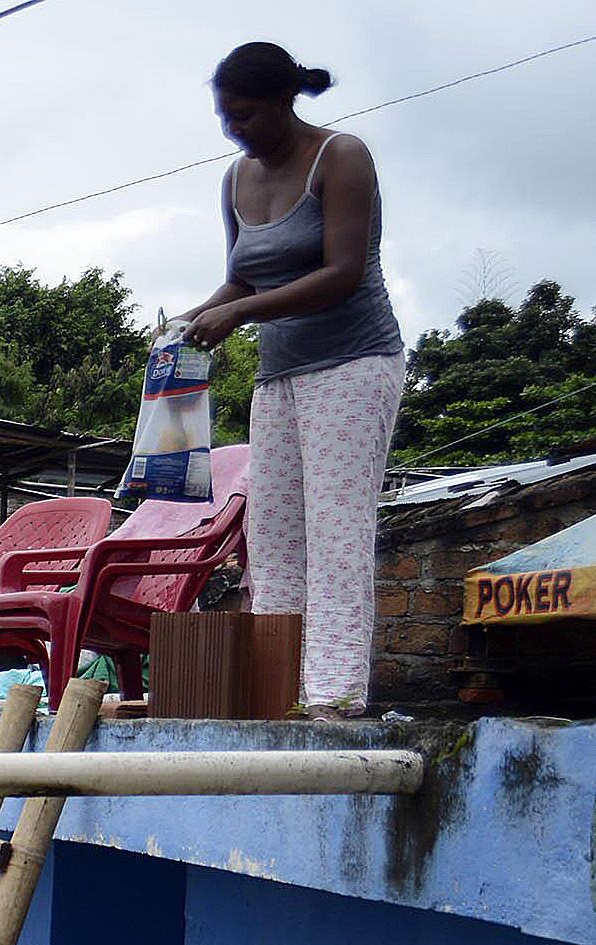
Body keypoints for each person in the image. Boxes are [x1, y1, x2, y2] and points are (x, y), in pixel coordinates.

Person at [180, 41, 404, 718]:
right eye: (224, 117)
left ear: (284, 100)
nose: (234, 129)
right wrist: (193, 317)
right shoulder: (234, 179)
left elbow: (344, 272)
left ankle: (333, 695)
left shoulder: (342, 156)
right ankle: (279, 691)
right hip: (280, 375)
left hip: (354, 363)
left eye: (244, 114)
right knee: (272, 533)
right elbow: (243, 277)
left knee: (337, 530)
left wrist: (241, 312)